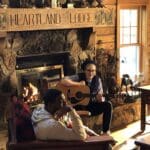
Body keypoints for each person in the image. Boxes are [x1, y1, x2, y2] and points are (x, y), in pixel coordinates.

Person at [60, 59, 113, 134]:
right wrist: (78, 84)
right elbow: (63, 81)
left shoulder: (98, 80)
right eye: (88, 70)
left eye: (93, 71)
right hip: (76, 105)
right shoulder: (79, 76)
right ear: (84, 70)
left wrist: (101, 99)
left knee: (108, 105)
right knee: (66, 107)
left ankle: (105, 131)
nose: (91, 73)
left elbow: (100, 95)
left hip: (91, 106)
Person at [31, 89, 98, 141]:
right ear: (50, 104)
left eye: (64, 100)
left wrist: (89, 132)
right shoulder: (52, 126)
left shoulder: (41, 108)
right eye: (61, 101)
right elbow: (81, 135)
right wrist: (71, 110)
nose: (65, 103)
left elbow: (68, 123)